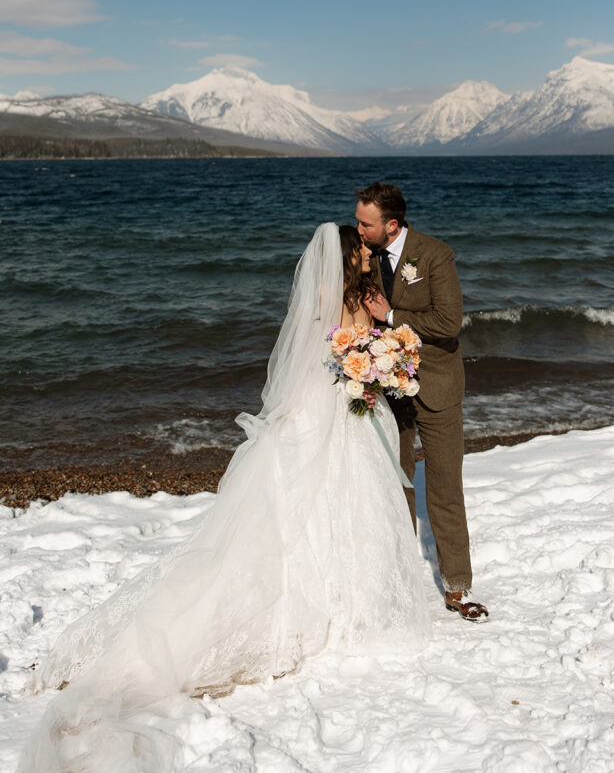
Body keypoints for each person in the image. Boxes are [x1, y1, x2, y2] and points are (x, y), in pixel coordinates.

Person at [20, 224, 430, 773]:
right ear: (343, 257)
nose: (366, 253)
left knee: (340, 504)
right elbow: (328, 356)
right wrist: (368, 363)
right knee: (312, 507)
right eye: (359, 249)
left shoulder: (354, 295)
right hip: (331, 413)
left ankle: (345, 598)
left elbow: (346, 349)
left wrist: (379, 354)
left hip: (344, 411)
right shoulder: (339, 297)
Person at [356, 182, 488, 622]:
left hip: (437, 387)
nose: (359, 229)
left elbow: (450, 322)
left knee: (445, 487)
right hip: (389, 389)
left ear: (391, 225)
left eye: (366, 224)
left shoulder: (434, 255)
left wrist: (391, 316)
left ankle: (457, 586)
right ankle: (398, 577)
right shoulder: (364, 258)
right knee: (394, 483)